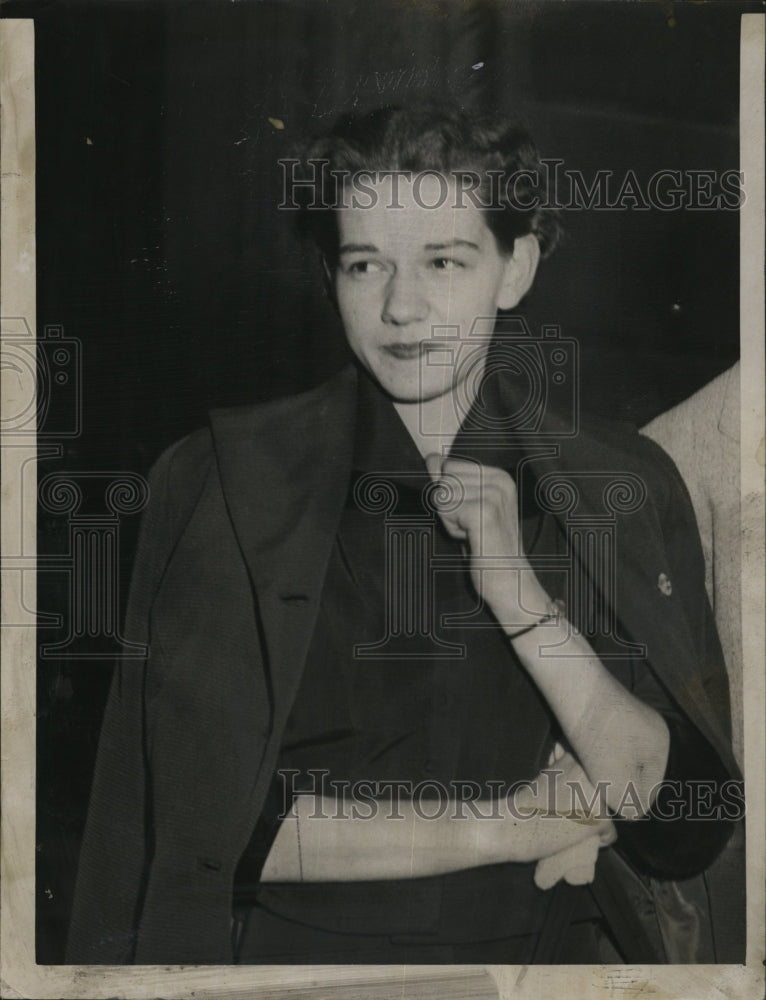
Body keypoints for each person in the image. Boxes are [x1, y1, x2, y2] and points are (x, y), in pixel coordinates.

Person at [66, 106, 742, 966]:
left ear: (515, 268)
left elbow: (679, 819)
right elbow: (202, 828)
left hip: (556, 966)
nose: (401, 305)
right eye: (365, 264)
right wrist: (505, 826)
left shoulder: (623, 481)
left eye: (443, 261)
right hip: (294, 970)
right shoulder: (225, 479)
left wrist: (517, 593)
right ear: (331, 276)